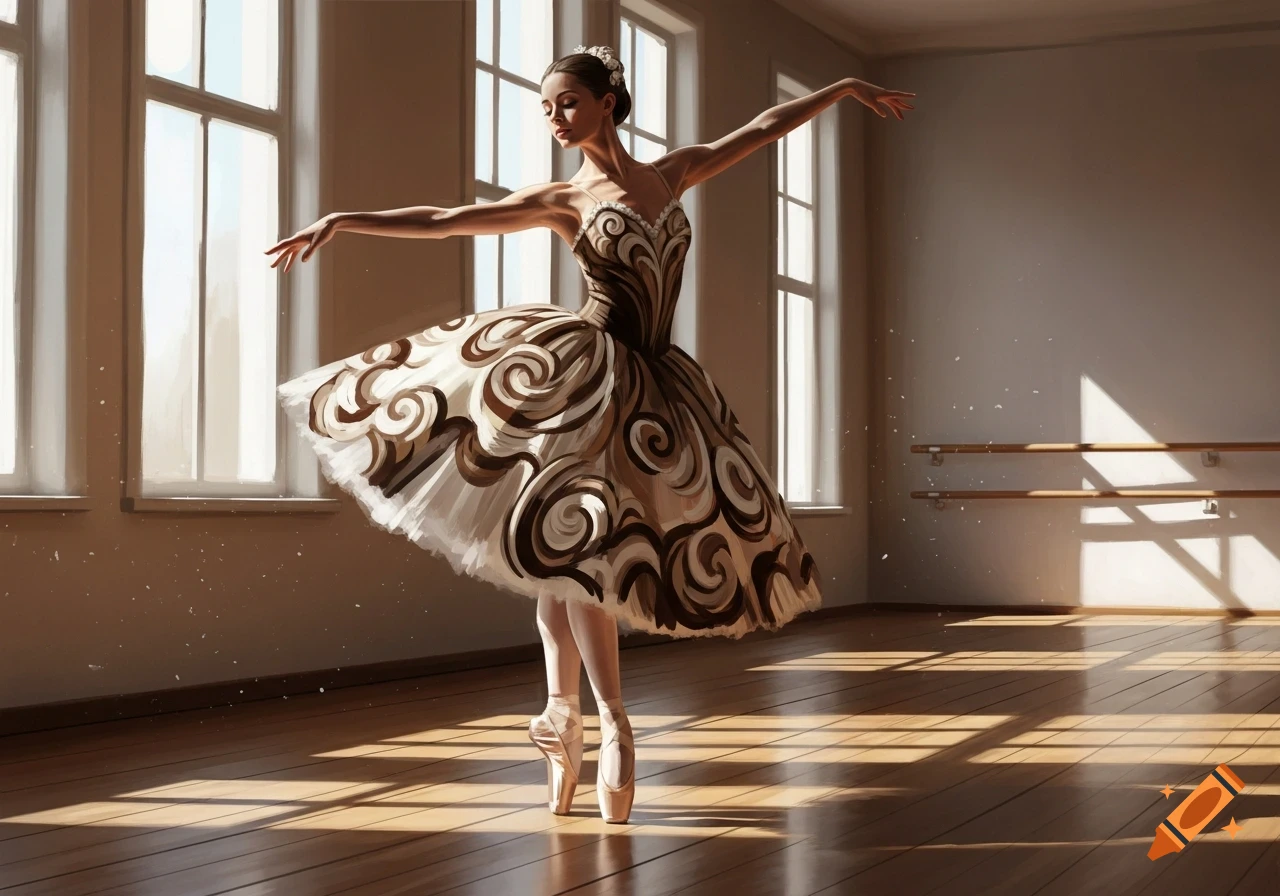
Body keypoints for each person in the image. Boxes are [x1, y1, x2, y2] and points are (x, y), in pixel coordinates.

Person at [267, 46, 913, 825]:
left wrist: (842, 87)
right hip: (583, 377)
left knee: (577, 558)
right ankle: (600, 721)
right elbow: (446, 221)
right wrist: (343, 220)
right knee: (573, 555)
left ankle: (571, 718)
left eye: (566, 102)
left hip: (658, 383)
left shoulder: (673, 175)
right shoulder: (564, 198)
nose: (554, 117)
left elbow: (765, 127)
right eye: (545, 108)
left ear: (609, 102)